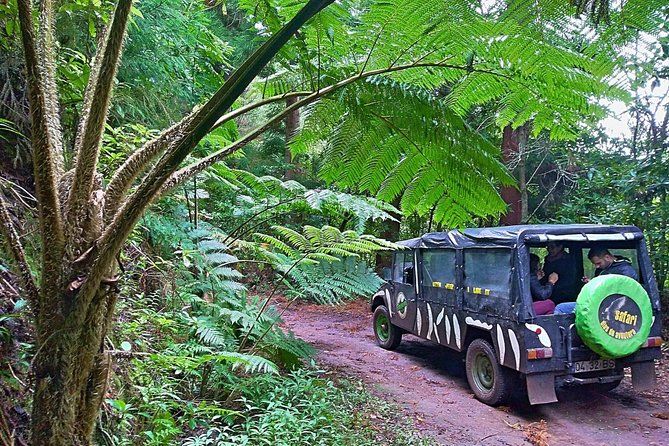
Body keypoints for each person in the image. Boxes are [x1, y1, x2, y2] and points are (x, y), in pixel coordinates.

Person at [554, 247, 638, 314]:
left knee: (561, 308)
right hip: (597, 302)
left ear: (607, 257)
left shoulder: (626, 271)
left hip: (610, 307)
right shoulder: (601, 269)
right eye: (595, 264)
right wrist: (591, 283)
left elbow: (624, 293)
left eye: (598, 263)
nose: (596, 266)